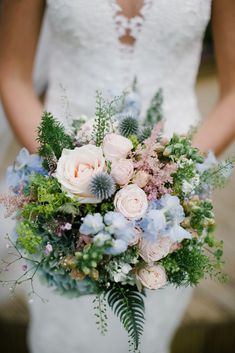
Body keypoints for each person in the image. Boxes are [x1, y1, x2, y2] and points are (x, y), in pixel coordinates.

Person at [0, 1, 234, 353]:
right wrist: (62, 174)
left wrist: (171, 175)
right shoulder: (59, 180)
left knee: (146, 336)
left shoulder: (173, 192)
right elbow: (12, 74)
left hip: (174, 201)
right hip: (59, 180)